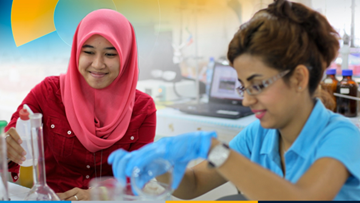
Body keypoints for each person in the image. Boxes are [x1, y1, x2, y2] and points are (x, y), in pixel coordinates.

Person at [108, 0, 360, 200]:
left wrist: (213, 149)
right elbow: (194, 185)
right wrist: (160, 164)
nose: (246, 101)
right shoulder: (258, 136)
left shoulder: (341, 136)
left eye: (258, 85)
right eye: (243, 87)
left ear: (298, 79)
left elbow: (302, 197)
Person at [4, 9, 156, 201]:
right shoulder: (48, 92)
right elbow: (15, 132)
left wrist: (98, 194)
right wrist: (8, 148)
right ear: (77, 51)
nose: (98, 64)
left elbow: (138, 175)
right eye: (89, 52)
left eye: (110, 54)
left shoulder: (143, 108)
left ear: (126, 57)